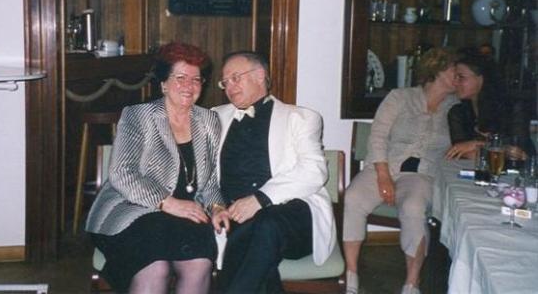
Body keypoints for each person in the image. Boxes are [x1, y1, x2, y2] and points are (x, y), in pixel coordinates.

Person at [85, 42, 225, 294]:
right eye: (180, 78)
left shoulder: (209, 121)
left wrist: (217, 207)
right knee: (155, 267)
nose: (189, 85)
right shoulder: (139, 116)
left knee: (199, 263)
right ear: (163, 83)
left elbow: (211, 181)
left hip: (186, 214)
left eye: (196, 79)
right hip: (132, 211)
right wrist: (167, 202)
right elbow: (122, 173)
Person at [210, 51, 336, 294]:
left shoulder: (301, 117)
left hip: (292, 214)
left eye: (235, 78)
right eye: (225, 82)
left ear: (260, 75)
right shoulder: (215, 117)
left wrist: (260, 199)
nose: (229, 87)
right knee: (257, 240)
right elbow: (204, 174)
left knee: (265, 224)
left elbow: (314, 171)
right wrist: (215, 205)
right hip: (233, 216)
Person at [343, 48, 458, 294]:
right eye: (453, 71)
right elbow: (378, 136)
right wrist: (384, 176)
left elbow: (466, 142)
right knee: (353, 197)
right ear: (437, 70)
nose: (458, 76)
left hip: (422, 175)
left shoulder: (456, 107)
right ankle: (351, 274)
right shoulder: (400, 97)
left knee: (413, 208)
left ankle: (412, 282)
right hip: (384, 166)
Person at [446, 53, 533, 161]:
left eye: (461, 77)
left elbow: (518, 152)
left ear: (481, 78)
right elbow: (461, 152)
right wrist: (496, 148)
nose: (455, 83)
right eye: (454, 77)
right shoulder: (457, 112)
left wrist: (474, 145)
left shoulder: (512, 108)